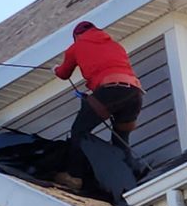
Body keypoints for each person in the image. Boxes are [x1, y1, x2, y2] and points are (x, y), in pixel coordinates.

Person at [57, 20, 146, 173]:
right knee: (121, 137)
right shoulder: (115, 45)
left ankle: (74, 176)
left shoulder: (76, 47)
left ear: (77, 36)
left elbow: (64, 73)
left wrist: (55, 69)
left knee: (79, 131)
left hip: (110, 90)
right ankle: (131, 173)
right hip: (134, 93)